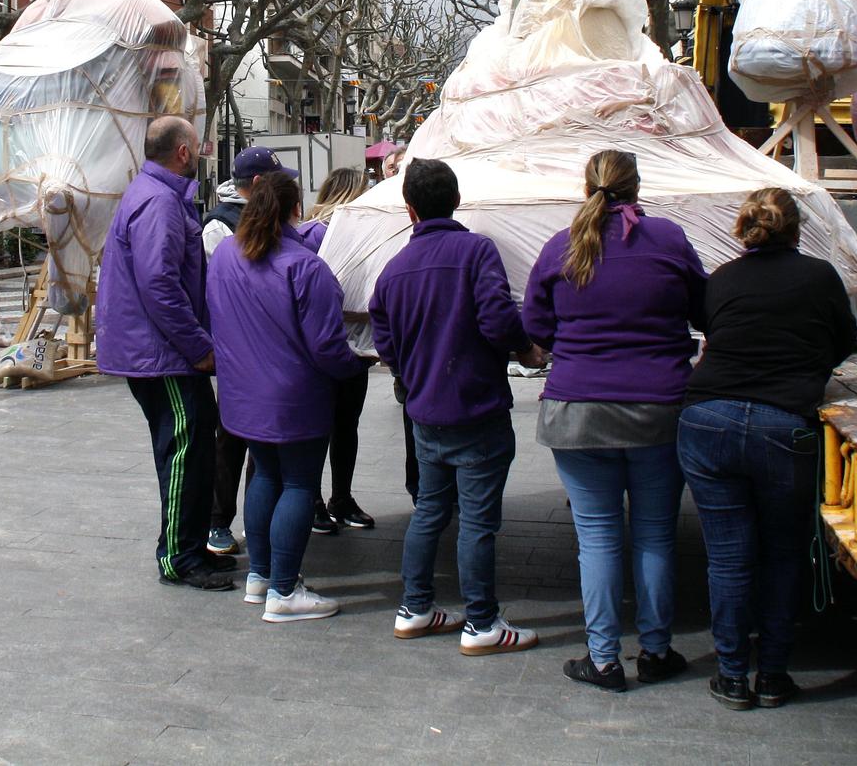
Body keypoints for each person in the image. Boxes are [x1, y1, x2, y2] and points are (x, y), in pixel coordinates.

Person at [523, 150, 705, 693]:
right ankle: (655, 650)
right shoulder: (668, 239)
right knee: (654, 535)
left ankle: (603, 660)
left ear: (587, 188)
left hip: (577, 409)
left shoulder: (561, 246)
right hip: (660, 408)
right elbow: (703, 308)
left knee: (597, 536)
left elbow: (535, 323)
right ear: (637, 186)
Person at [678, 189, 857, 712]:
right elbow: (846, 339)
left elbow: (714, 331)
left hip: (708, 416)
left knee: (729, 558)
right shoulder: (820, 277)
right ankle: (774, 675)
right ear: (797, 228)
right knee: (783, 554)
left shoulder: (724, 278)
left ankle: (732, 674)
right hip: (785, 423)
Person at [370, 157, 545, 654]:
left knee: (429, 510)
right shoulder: (475, 251)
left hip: (424, 412)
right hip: (477, 409)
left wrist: (412, 371)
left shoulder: (394, 270)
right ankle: (482, 623)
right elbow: (496, 316)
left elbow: (385, 342)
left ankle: (415, 608)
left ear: (409, 210)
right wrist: (526, 349)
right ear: (457, 200)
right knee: (478, 521)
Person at [207, 171, 368, 621]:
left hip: (243, 393)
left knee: (265, 478)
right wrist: (355, 366)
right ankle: (284, 590)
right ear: (296, 209)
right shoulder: (305, 266)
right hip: (295, 395)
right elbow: (327, 345)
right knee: (297, 483)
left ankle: (261, 578)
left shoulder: (224, 255)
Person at [96, 115, 235, 591]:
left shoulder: (158, 195)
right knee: (184, 451)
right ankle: (178, 555)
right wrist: (198, 348)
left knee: (196, 451)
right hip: (165, 356)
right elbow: (160, 284)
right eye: (197, 147)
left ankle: (192, 546)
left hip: (164, 352)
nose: (200, 154)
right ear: (181, 152)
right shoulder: (158, 201)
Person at [201, 145, 288, 556]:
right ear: (257, 184)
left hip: (263, 346)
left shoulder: (275, 221)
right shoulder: (219, 226)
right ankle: (219, 522)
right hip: (235, 346)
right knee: (230, 437)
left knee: (262, 445)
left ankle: (258, 522)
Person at [297, 167, 378, 534]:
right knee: (330, 425)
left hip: (350, 345)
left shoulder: (342, 232)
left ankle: (337, 498)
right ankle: (318, 499)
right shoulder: (315, 234)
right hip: (329, 343)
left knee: (345, 424)